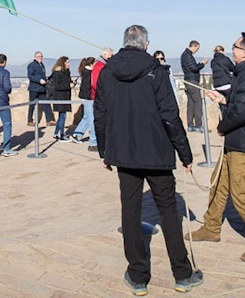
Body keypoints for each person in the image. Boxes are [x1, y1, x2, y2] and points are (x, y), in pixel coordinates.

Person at [95, 25, 203, 295]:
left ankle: (138, 276)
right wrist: (185, 153)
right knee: (168, 211)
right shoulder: (156, 70)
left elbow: (101, 115)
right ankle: (182, 273)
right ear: (145, 44)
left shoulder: (108, 71)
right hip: (156, 152)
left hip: (125, 154)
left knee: (130, 212)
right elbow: (170, 114)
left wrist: (104, 151)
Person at [191, 32, 245, 263]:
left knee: (240, 194)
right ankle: (211, 227)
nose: (232, 50)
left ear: (244, 52)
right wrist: (223, 99)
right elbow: (241, 102)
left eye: (235, 46)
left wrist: (222, 127)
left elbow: (243, 113)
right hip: (237, 140)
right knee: (219, 185)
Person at [71, 57, 97, 149]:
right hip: (88, 98)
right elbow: (88, 87)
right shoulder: (89, 74)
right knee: (91, 119)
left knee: (86, 117)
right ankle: (93, 141)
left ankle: (77, 134)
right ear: (91, 64)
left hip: (84, 98)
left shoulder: (85, 72)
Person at [180, 41, 207, 132]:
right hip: (192, 81)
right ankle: (198, 125)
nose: (197, 50)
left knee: (191, 103)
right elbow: (194, 68)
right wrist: (202, 64)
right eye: (197, 48)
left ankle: (190, 125)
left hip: (188, 81)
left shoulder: (185, 55)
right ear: (194, 46)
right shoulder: (187, 55)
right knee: (197, 102)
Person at [27, 51, 55, 126]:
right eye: (39, 57)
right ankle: (29, 120)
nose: (40, 58)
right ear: (35, 57)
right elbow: (30, 76)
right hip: (34, 88)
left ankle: (49, 120)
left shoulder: (42, 65)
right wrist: (39, 80)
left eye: (41, 56)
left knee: (46, 103)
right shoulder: (32, 65)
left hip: (42, 88)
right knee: (32, 105)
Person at [48, 56, 73, 140]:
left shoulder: (66, 72)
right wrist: (68, 85)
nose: (69, 64)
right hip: (60, 97)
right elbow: (57, 86)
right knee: (62, 116)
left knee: (62, 116)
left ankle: (56, 133)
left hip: (65, 96)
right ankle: (61, 134)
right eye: (67, 62)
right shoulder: (57, 73)